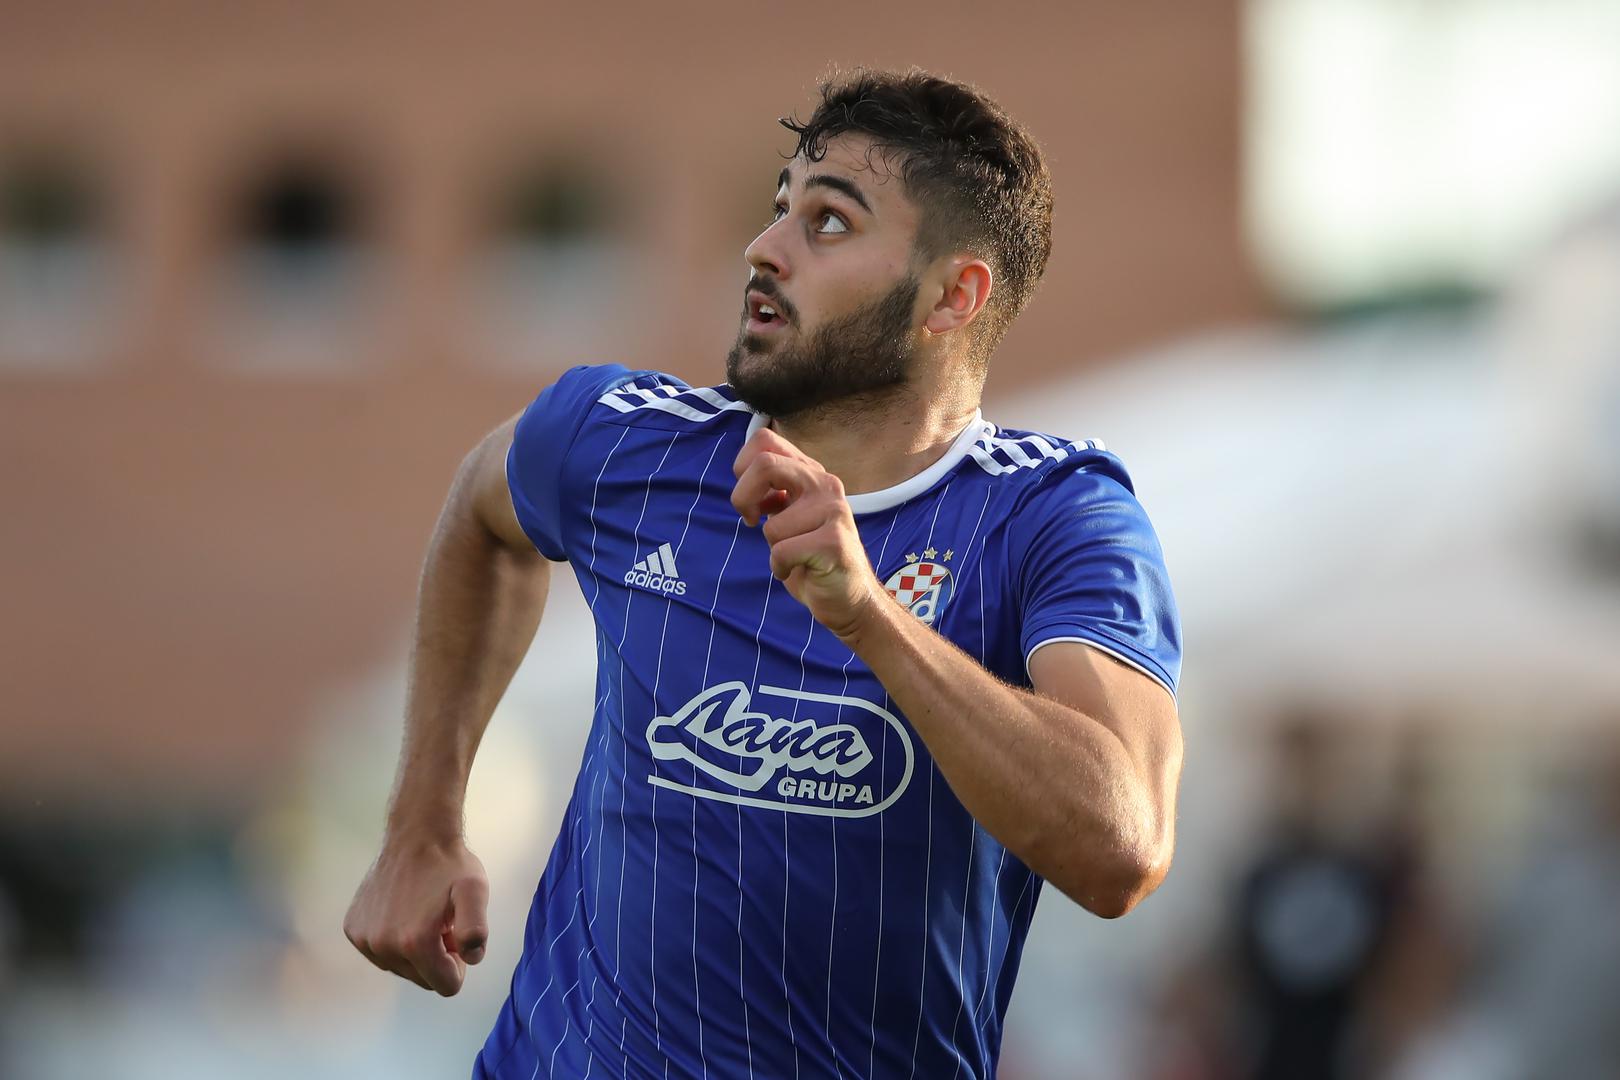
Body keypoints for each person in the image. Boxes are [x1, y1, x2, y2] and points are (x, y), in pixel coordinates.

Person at [344, 69, 1184, 1079]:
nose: (764, 248)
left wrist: (867, 614)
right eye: (779, 207)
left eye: (828, 223)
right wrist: (423, 824)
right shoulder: (625, 443)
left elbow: (1121, 847)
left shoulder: (1053, 515)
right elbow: (484, 513)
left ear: (952, 294)